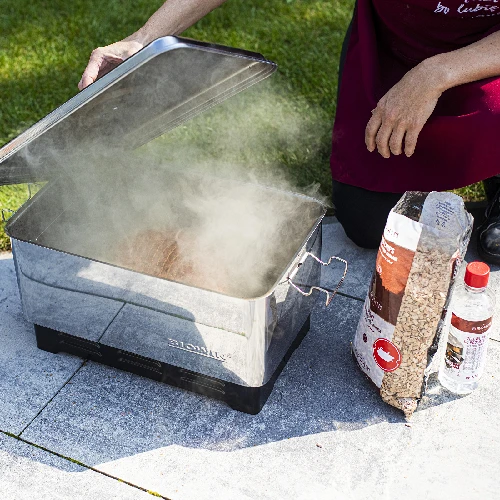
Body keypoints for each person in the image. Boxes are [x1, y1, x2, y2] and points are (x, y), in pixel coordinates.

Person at [79, 0, 500, 264]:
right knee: (370, 224)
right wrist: (145, 38)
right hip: (394, 42)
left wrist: (436, 74)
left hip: (488, 51)